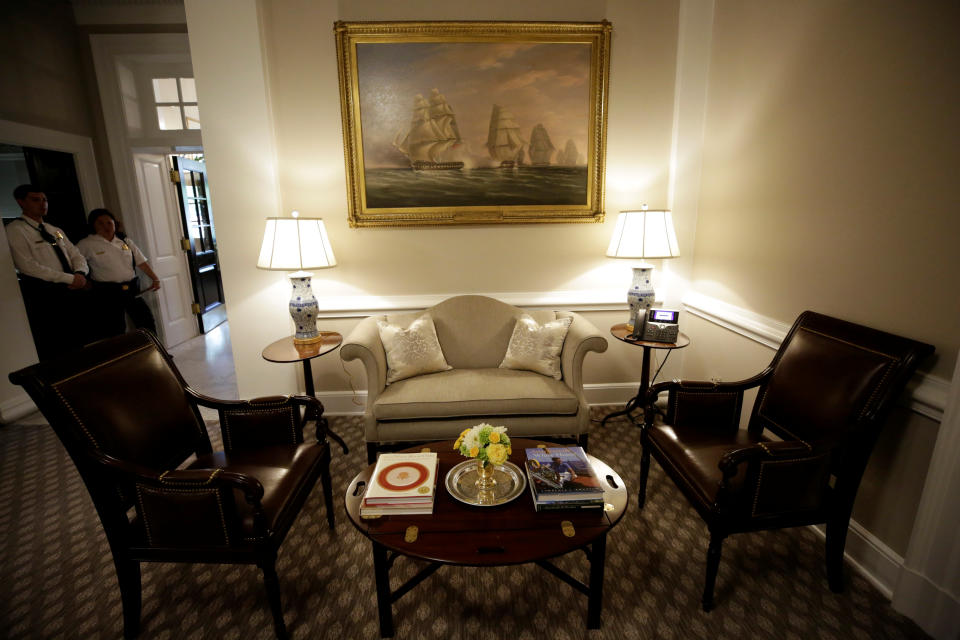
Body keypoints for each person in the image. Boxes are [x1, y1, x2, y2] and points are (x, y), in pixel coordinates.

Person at [6, 184, 93, 360]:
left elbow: (75, 253)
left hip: (72, 289)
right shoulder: (16, 230)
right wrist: (69, 279)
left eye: (44, 199)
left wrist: (80, 273)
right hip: (46, 293)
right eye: (35, 200)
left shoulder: (55, 231)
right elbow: (27, 266)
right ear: (21, 202)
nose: (42, 204)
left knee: (77, 337)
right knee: (56, 343)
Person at [77, 208, 161, 339]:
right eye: (100, 223)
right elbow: (76, 265)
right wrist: (83, 281)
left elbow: (141, 262)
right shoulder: (86, 244)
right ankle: (121, 357)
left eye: (109, 223)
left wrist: (155, 279)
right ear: (93, 225)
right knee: (115, 328)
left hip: (131, 289)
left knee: (146, 321)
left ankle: (156, 353)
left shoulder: (125, 241)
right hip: (107, 293)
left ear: (115, 224)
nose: (106, 226)